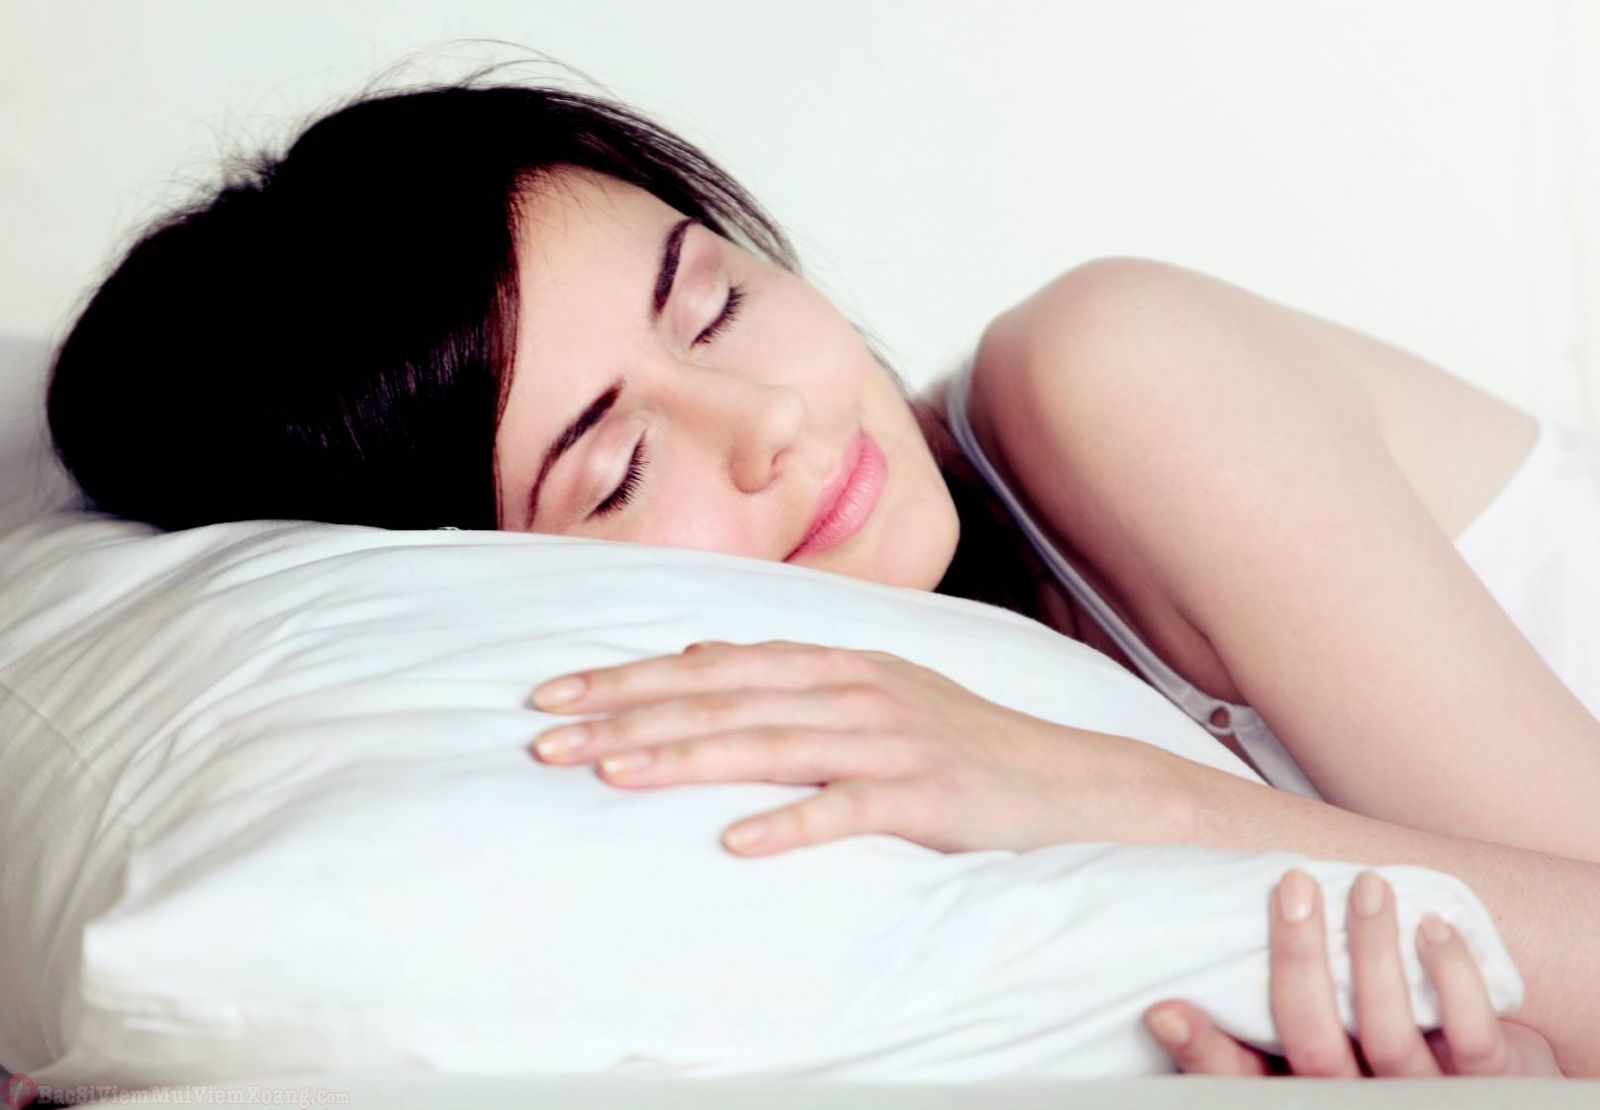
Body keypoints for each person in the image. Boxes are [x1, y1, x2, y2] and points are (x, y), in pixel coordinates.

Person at [41, 73, 1593, 1078]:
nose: (771, 422)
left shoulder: (1108, 373)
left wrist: (1119, 795)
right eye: (617, 467)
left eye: (712, 305)